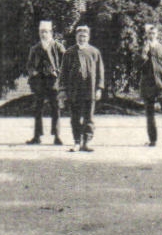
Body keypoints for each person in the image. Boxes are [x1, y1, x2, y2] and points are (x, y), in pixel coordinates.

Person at [60, 24, 104, 152]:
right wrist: (63, 89)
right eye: (80, 36)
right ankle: (77, 142)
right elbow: (63, 72)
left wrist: (99, 88)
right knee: (75, 117)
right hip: (74, 90)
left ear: (88, 37)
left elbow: (100, 72)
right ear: (76, 37)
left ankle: (86, 142)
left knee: (89, 117)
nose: (82, 39)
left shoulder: (94, 52)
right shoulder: (69, 53)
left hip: (89, 89)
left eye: (84, 36)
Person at [24, 20, 66, 145]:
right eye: (41, 32)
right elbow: (29, 65)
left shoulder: (58, 46)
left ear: (51, 32)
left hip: (53, 81)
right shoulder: (35, 48)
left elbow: (65, 63)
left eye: (46, 32)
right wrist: (33, 72)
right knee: (37, 108)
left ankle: (57, 136)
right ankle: (37, 136)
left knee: (55, 108)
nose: (43, 34)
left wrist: (57, 71)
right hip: (39, 82)